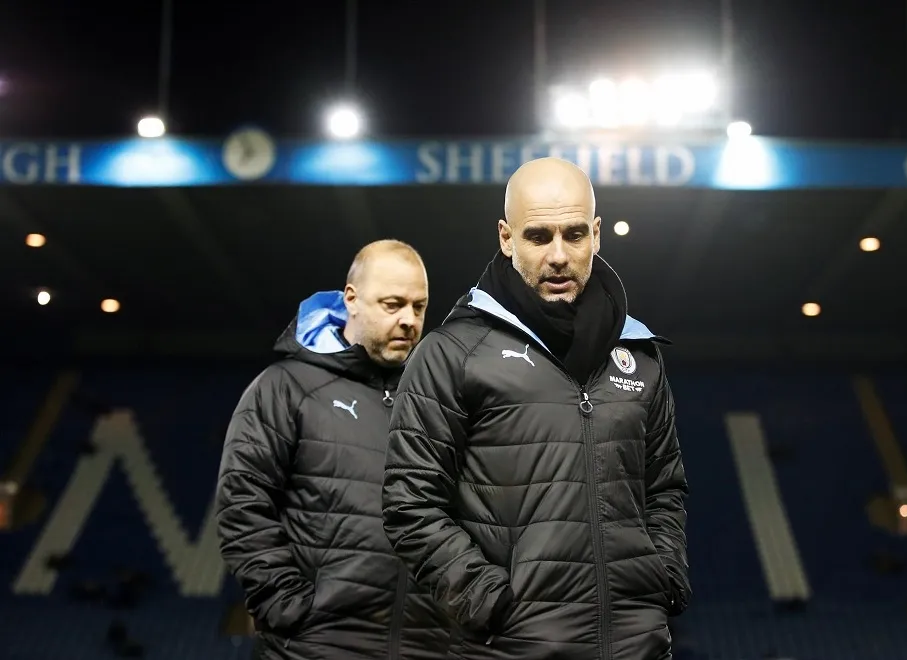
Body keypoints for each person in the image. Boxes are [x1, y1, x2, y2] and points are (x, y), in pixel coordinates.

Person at [381, 158, 690, 660]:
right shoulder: (452, 353)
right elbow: (409, 503)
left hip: (639, 645)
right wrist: (489, 603)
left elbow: (664, 489)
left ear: (596, 234)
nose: (559, 255)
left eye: (574, 235)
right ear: (507, 239)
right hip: (511, 647)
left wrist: (663, 579)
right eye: (539, 236)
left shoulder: (639, 354)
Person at [216, 239, 450, 660]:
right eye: (393, 304)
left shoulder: (440, 403)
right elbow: (242, 505)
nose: (408, 320)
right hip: (314, 647)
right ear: (351, 299)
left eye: (419, 307)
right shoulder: (286, 387)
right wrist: (290, 610)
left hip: (426, 647)